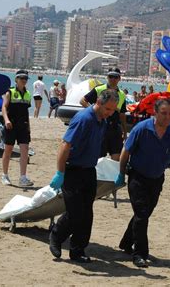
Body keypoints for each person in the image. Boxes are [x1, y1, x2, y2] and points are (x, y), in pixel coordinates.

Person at [115, 98, 170, 268]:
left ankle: (126, 242)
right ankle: (140, 254)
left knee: (144, 214)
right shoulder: (142, 129)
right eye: (164, 113)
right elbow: (126, 151)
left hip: (157, 178)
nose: (167, 117)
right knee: (141, 214)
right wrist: (121, 174)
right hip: (138, 177)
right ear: (155, 113)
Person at [48, 89, 120, 263]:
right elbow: (65, 145)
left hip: (89, 171)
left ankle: (78, 250)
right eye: (108, 109)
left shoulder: (102, 121)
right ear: (99, 103)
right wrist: (60, 173)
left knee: (87, 213)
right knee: (75, 212)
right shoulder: (84, 119)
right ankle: (56, 236)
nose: (111, 113)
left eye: (113, 110)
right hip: (72, 170)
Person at [80, 67, 127, 161]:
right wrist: (93, 112)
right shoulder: (99, 89)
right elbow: (83, 101)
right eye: (111, 76)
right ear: (107, 77)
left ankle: (111, 175)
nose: (113, 79)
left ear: (119, 78)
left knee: (116, 157)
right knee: (99, 157)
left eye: (115, 77)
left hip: (115, 129)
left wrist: (125, 131)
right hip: (100, 127)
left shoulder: (122, 94)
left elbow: (122, 114)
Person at [1, 70, 34, 187]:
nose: (24, 81)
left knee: (24, 151)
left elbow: (26, 112)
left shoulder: (28, 94)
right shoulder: (10, 92)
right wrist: (6, 120)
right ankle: (5, 175)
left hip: (23, 126)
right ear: (16, 80)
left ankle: (23, 177)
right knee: (8, 150)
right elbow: (4, 108)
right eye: (21, 78)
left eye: (25, 79)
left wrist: (29, 127)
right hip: (11, 126)